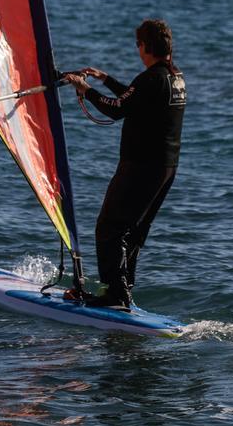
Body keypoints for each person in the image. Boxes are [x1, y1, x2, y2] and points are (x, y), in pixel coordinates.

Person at [65, 19, 186, 309]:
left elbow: (118, 109)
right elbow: (135, 98)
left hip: (141, 166)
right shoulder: (174, 77)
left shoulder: (150, 79)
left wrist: (86, 89)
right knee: (133, 231)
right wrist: (104, 78)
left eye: (138, 45)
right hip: (165, 168)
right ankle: (124, 291)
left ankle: (116, 295)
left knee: (110, 228)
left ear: (145, 46)